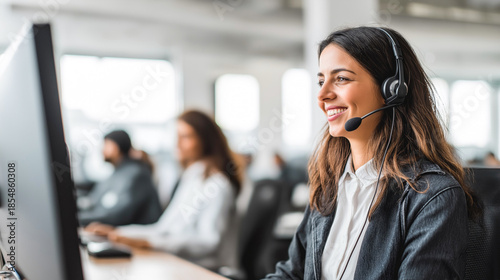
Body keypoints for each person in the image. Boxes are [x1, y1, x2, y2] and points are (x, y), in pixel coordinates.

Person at [264, 27, 480, 279]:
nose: (322, 95)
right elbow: (292, 273)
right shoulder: (329, 184)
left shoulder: (432, 195)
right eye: (321, 81)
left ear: (392, 91)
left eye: (341, 78)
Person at [86, 110, 243, 271]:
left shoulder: (217, 184)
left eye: (186, 137)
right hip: (184, 266)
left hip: (209, 271)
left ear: (206, 140)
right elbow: (163, 229)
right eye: (177, 136)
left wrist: (150, 243)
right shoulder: (192, 178)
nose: (178, 144)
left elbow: (209, 241)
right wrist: (118, 233)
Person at [79, 130, 162, 226]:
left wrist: (77, 219)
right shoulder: (117, 173)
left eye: (106, 145)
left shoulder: (137, 174)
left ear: (116, 147)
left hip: (136, 235)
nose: (102, 150)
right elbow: (95, 201)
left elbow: (118, 216)